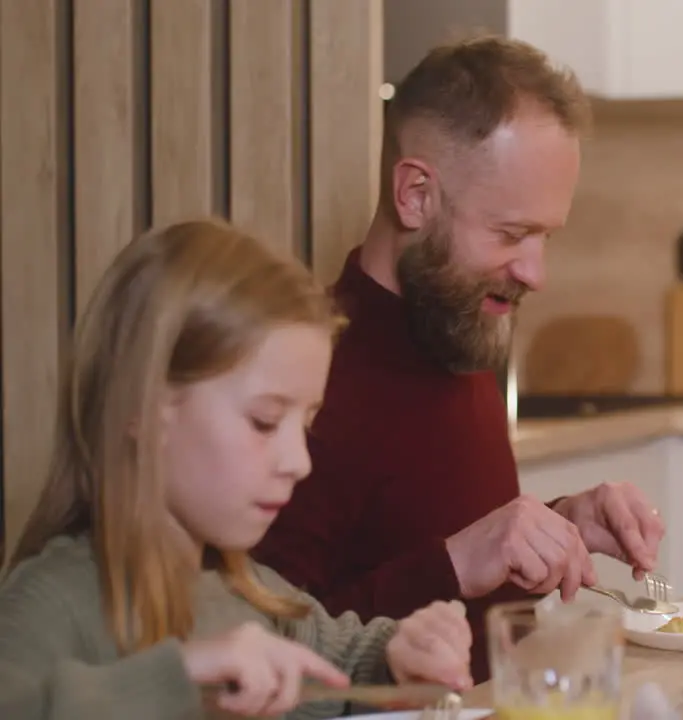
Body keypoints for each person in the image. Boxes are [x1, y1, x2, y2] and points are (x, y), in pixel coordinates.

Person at [252, 36, 665, 682]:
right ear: (415, 194)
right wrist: (455, 564)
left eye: (546, 236)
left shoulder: (458, 323)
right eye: (511, 233)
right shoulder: (309, 380)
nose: (537, 273)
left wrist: (558, 529)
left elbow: (456, 563)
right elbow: (256, 648)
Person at [0, 219, 473, 719]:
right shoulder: (49, 603)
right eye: (264, 421)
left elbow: (349, 661)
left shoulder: (249, 591)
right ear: (141, 409)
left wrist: (401, 654)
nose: (299, 462)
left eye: (306, 425)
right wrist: (176, 680)